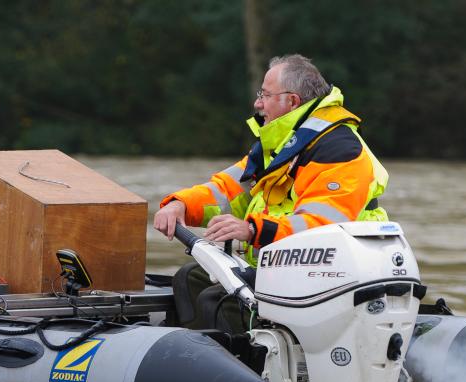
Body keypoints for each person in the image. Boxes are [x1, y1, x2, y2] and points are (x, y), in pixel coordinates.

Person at [153, 54, 389, 330]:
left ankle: (243, 363)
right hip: (290, 270)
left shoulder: (339, 149)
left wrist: (252, 230)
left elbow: (321, 228)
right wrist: (180, 204)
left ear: (292, 101)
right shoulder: (282, 146)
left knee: (214, 298)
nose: (257, 103)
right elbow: (226, 191)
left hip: (333, 277)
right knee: (190, 276)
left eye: (265, 95)